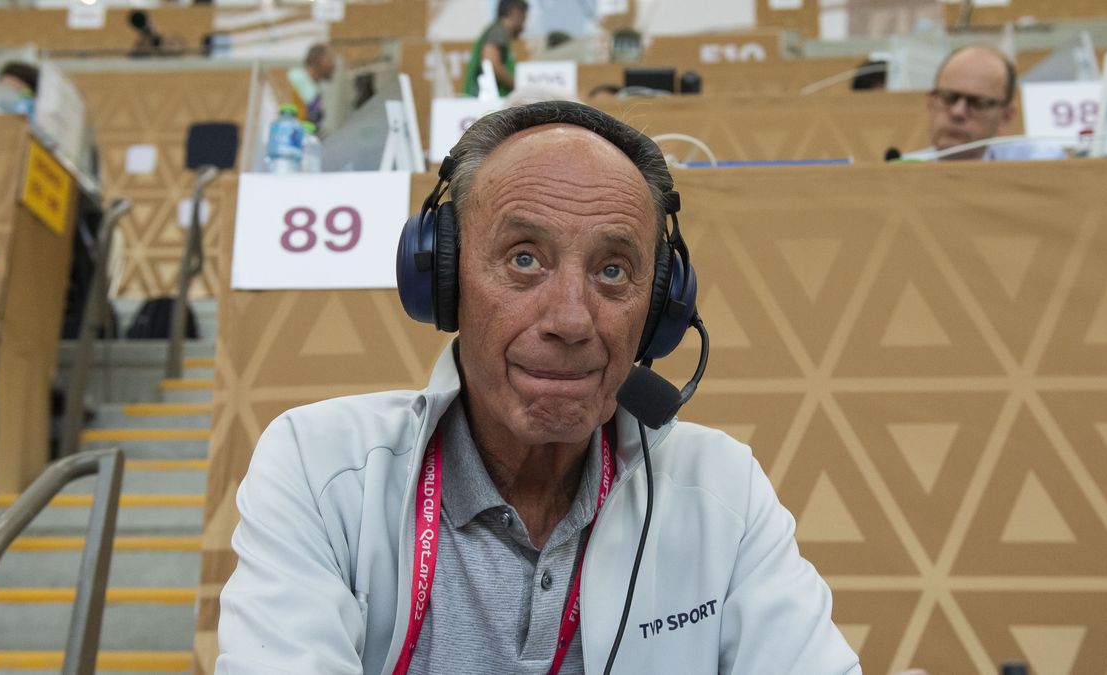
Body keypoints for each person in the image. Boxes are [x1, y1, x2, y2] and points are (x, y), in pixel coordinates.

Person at [216, 101, 861, 674]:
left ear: (659, 308)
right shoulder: (319, 469)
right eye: (525, 258)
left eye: (613, 270)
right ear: (446, 279)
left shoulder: (723, 489)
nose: (572, 320)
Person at [916, 44, 1065, 161]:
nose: (958, 112)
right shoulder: (899, 174)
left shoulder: (1040, 168)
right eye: (949, 97)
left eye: (978, 103)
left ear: (1006, 117)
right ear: (930, 102)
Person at [462, 0, 528, 97]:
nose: (524, 25)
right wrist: (518, 87)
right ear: (516, 13)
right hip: (482, 100)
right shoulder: (498, 31)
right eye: (524, 18)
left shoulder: (498, 32)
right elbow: (490, 64)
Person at [288, 42, 336, 126]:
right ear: (317, 59)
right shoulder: (295, 79)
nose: (333, 65)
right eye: (330, 59)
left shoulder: (315, 88)